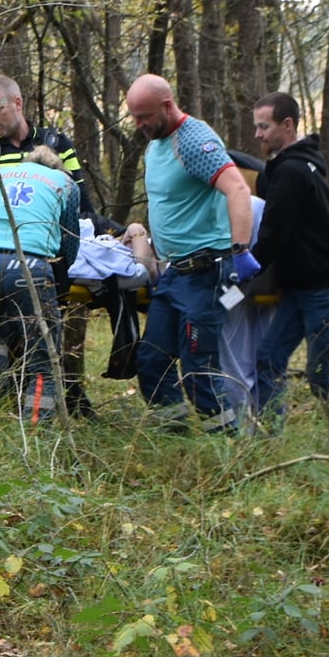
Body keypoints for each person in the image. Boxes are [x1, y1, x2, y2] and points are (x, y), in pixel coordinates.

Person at [125, 73, 256, 432]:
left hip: (206, 274)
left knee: (199, 369)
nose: (139, 125)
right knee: (152, 361)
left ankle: (228, 445)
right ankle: (176, 436)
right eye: (134, 117)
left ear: (167, 105)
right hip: (174, 275)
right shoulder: (156, 145)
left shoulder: (194, 140)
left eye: (145, 116)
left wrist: (240, 250)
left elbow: (238, 190)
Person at [248, 92, 329, 434]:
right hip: (299, 286)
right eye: (256, 127)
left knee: (321, 375)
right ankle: (270, 437)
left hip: (328, 287)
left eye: (264, 126)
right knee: (268, 359)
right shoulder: (285, 167)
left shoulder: (295, 172)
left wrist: (242, 270)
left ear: (288, 125)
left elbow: (273, 234)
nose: (258, 135)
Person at [0, 145, 85, 421]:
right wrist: (62, 272)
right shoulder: (65, 183)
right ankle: (37, 426)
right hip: (28, 265)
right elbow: (69, 239)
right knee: (44, 357)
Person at [0, 75, 86, 228]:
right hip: (1, 240)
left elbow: (81, 204)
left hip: (49, 241)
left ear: (17, 103)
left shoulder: (57, 143)